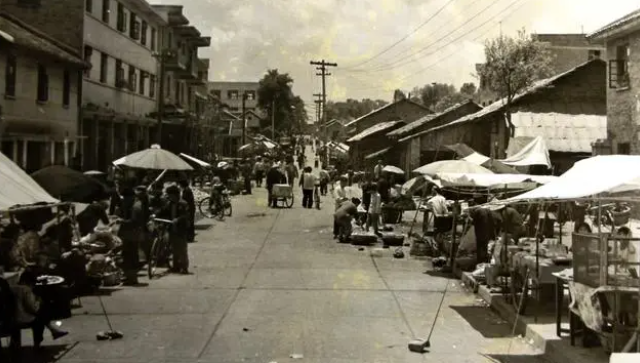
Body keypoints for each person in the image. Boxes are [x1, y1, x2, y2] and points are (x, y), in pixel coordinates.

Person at [7, 271, 69, 349]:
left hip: (9, 319)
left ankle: (54, 331)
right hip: (22, 319)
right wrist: (38, 301)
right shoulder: (26, 289)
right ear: (29, 282)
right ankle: (38, 344)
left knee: (41, 316)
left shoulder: (11, 288)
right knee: (40, 319)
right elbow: (32, 307)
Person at [158, 185, 190, 274]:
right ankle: (176, 266)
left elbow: (186, 215)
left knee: (182, 249)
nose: (169, 197)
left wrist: (178, 219)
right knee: (174, 248)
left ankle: (184, 267)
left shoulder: (183, 203)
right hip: (171, 228)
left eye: (170, 195)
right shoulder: (169, 204)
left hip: (181, 229)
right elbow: (163, 211)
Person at [116, 186, 143, 285]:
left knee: (130, 256)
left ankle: (131, 278)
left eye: (125, 198)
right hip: (130, 235)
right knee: (128, 256)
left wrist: (121, 221)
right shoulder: (132, 205)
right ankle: (129, 277)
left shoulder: (136, 207)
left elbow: (134, 222)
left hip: (132, 235)